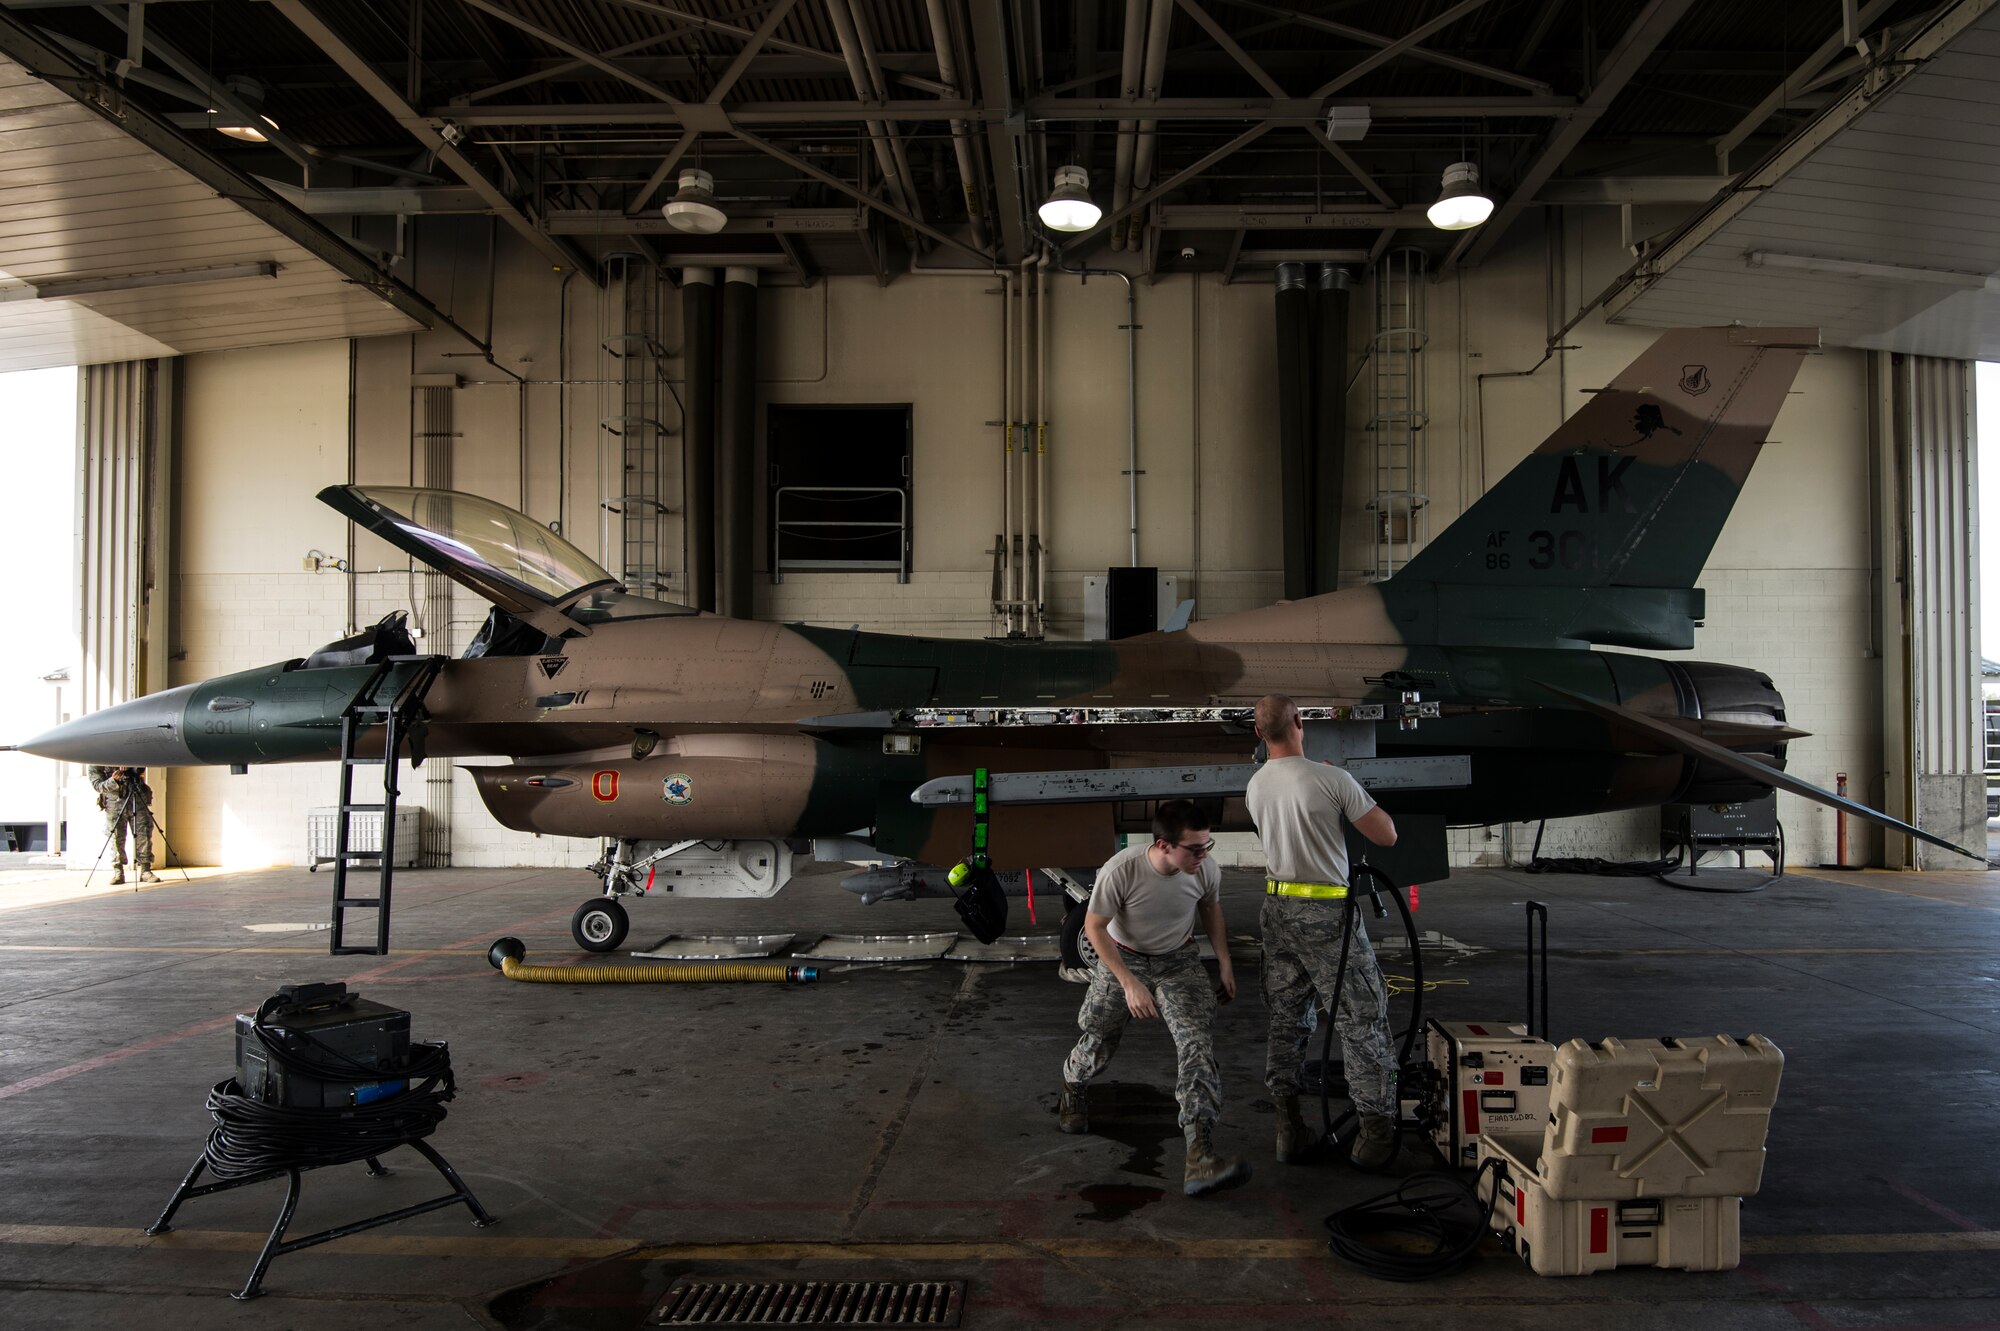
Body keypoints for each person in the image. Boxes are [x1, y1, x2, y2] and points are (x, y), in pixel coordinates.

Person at [1057, 799, 1250, 1197]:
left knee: (1197, 1043)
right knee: (1099, 1036)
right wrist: (1128, 983)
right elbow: (1094, 928)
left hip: (1178, 960)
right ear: (1163, 845)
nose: (1203, 856)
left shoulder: (1204, 868)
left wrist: (1225, 962)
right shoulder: (1122, 869)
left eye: (1207, 846)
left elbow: (1210, 908)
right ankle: (1074, 1083)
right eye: (1194, 849)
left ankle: (1200, 1154)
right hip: (1123, 956)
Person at [1245, 694, 1400, 1172]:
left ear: (1258, 733)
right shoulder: (1331, 778)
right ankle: (1375, 1133)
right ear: (1299, 721)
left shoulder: (1255, 785)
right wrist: (1342, 785)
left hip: (1277, 909)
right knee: (1362, 1016)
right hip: (1325, 913)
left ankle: (1289, 1128)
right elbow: (1385, 835)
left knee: (1287, 1020)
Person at [88, 765, 158, 885]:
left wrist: (131, 765)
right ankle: (118, 872)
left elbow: (141, 766)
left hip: (137, 798)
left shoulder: (126, 752)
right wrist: (113, 779)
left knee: (144, 835)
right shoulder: (96, 760)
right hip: (114, 803)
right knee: (116, 837)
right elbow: (98, 786)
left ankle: (146, 870)